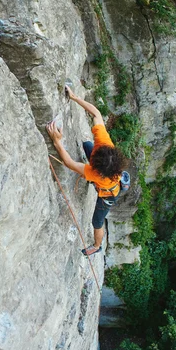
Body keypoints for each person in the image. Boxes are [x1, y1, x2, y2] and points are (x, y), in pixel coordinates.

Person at [46, 86, 128, 257]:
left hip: (107, 195)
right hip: (108, 172)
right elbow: (96, 114)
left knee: (96, 222)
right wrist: (75, 98)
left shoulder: (97, 174)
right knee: (87, 145)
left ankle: (97, 246)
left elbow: (68, 162)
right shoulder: (104, 142)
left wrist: (57, 142)